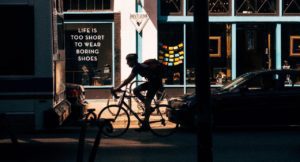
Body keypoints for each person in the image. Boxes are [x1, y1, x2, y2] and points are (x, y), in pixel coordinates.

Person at [113, 53, 163, 131]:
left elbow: (129, 79)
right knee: (135, 90)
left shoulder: (137, 67)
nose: (127, 63)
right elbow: (128, 80)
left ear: (133, 61)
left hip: (155, 83)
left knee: (147, 102)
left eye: (128, 61)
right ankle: (149, 108)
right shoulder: (138, 66)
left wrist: (118, 88)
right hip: (151, 82)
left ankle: (146, 125)